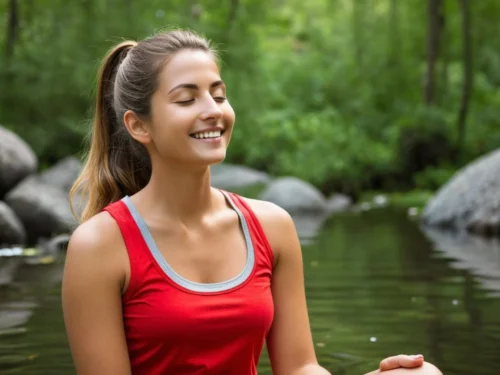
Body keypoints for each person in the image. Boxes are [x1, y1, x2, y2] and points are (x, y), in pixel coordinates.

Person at [62, 29, 443, 375]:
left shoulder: (272, 226)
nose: (213, 109)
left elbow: (299, 366)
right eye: (186, 98)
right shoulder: (99, 245)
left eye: (219, 94)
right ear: (138, 126)